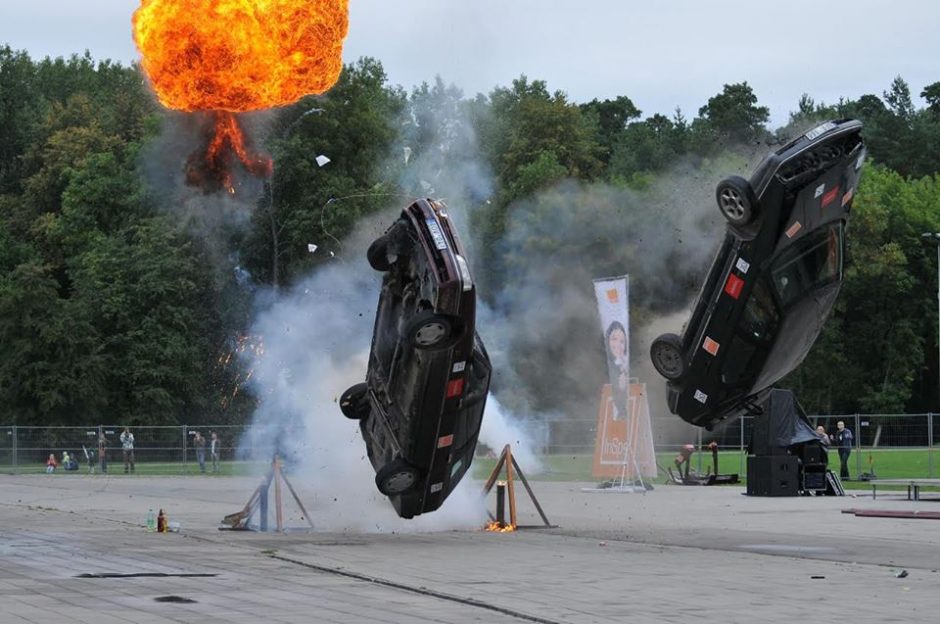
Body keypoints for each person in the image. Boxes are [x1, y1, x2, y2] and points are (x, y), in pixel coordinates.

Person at [604, 320, 629, 420]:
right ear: (607, 341)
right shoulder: (606, 367)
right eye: (614, 339)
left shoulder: (624, 367)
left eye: (622, 341)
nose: (618, 345)